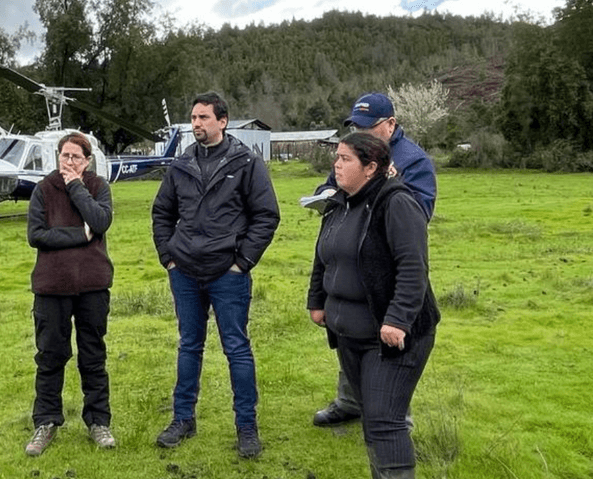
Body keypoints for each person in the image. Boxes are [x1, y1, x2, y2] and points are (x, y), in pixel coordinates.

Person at [151, 92, 280, 458]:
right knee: (189, 345)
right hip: (185, 272)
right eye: (193, 118)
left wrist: (243, 262)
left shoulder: (245, 163)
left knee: (236, 348)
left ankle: (246, 427)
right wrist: (169, 258)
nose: (196, 124)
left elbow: (266, 215)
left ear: (223, 121)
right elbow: (161, 213)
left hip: (228, 274)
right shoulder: (181, 164)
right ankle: (183, 419)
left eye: (204, 117)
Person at [306, 132, 440, 479]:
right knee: (372, 415)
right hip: (349, 333)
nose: (336, 164)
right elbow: (325, 257)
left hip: (391, 335)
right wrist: (317, 301)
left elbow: (413, 267)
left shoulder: (396, 203)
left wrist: (397, 320)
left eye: (346, 159)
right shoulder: (339, 203)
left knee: (385, 420)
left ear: (371, 167)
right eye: (336, 157)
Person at [24, 132, 115, 456]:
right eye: (65, 156)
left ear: (87, 161)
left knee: (93, 356)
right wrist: (81, 234)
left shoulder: (97, 187)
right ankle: (46, 422)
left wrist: (76, 187)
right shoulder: (44, 189)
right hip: (52, 286)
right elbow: (36, 235)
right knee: (50, 356)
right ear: (57, 156)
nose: (69, 162)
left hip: (92, 284)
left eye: (76, 157)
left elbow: (101, 220)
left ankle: (98, 422)